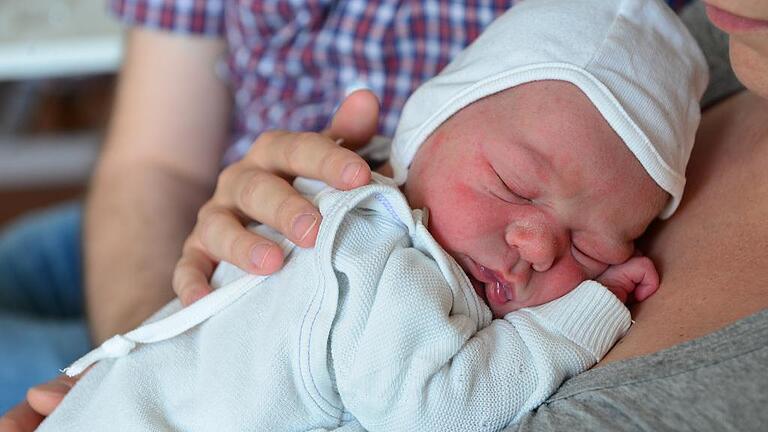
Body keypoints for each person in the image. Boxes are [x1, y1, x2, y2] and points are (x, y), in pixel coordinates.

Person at [33, 0, 706, 430]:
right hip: (173, 275)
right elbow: (444, 407)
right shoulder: (392, 270)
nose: (535, 245)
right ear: (421, 130)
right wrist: (587, 311)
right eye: (514, 186)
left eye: (592, 246)